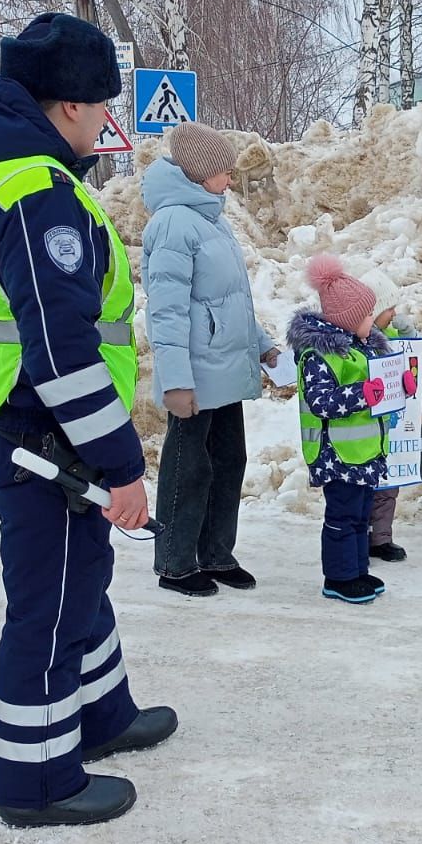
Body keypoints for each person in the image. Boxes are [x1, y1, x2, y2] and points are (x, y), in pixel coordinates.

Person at [0, 13, 177, 828]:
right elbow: (63, 351)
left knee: (83, 582)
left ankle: (103, 716)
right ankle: (37, 783)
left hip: (16, 424)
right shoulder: (36, 194)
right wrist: (119, 465)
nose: (107, 124)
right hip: (47, 437)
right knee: (50, 610)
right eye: (102, 107)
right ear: (70, 106)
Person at [142, 121, 280, 599]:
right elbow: (168, 310)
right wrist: (176, 382)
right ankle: (176, 563)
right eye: (223, 170)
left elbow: (229, 300)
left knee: (227, 463)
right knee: (189, 469)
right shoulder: (173, 224)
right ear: (199, 172)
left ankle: (217, 553)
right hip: (196, 379)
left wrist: (262, 343)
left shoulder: (210, 218)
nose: (230, 179)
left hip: (224, 370)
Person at [287, 254, 404, 605]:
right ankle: (338, 577)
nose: (375, 321)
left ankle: (358, 570)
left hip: (365, 452)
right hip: (335, 454)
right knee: (343, 515)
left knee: (360, 514)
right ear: (349, 320)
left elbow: (380, 384)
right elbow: (322, 401)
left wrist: (400, 383)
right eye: (369, 315)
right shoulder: (318, 356)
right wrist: (361, 394)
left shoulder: (362, 347)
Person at [367, 279, 415, 564]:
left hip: (391, 425)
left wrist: (408, 333)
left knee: (388, 484)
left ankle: (381, 539)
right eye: (390, 308)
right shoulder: (363, 341)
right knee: (365, 489)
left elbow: (419, 353)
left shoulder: (393, 334)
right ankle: (360, 537)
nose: (394, 314)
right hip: (369, 428)